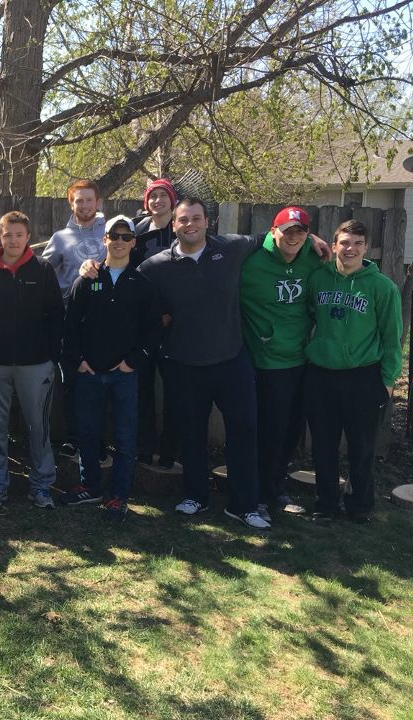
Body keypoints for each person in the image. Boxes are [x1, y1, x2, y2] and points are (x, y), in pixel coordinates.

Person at [135, 198, 329, 530]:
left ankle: (244, 504)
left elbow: (274, 236)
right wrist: (92, 268)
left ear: (207, 222)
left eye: (196, 218)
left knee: (244, 432)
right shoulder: (155, 266)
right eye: (184, 220)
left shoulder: (232, 247)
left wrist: (310, 238)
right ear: (174, 224)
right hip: (182, 363)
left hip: (231, 360)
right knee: (191, 434)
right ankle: (196, 496)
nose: (190, 224)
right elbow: (129, 291)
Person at [61, 215, 161, 520]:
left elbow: (153, 330)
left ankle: (118, 495)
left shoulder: (142, 284)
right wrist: (78, 361)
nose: (119, 242)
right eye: (113, 236)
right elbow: (70, 327)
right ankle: (90, 486)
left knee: (125, 437)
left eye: (125, 237)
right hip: (90, 373)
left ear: (133, 242)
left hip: (124, 376)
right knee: (88, 433)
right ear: (104, 240)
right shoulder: (87, 279)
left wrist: (133, 362)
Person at [305, 219, 402, 524]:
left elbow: (392, 337)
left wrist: (387, 381)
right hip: (321, 374)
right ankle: (326, 503)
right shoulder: (317, 279)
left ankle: (360, 506)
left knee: (361, 447)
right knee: (323, 445)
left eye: (358, 243)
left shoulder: (381, 287)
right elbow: (307, 315)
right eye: (345, 243)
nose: (351, 249)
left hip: (363, 376)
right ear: (334, 246)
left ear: (366, 248)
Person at [0, 211, 63, 508]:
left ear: (28, 237)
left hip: (35, 365)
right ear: (0, 236)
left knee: (38, 426)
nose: (13, 240)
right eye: (8, 234)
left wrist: (51, 356)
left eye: (19, 234)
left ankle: (42, 486)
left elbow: (56, 316)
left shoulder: (43, 270)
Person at [240, 207, 324, 520]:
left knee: (291, 431)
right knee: (269, 431)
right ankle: (260, 493)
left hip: (302, 359)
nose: (293, 237)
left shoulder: (313, 258)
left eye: (300, 232)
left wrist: (317, 241)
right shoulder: (250, 264)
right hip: (266, 362)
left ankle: (276, 489)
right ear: (273, 232)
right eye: (287, 231)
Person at [41, 179, 106, 459]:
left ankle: (100, 440)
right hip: (71, 318)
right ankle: (72, 438)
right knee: (71, 380)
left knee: (103, 380)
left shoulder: (111, 231)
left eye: (89, 200)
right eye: (79, 200)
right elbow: (43, 273)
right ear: (71, 204)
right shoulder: (60, 238)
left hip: (105, 317)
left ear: (98, 202)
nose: (84, 205)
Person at [131, 178, 179, 467]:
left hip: (176, 323)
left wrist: (170, 310)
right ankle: (144, 448)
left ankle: (170, 451)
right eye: (154, 195)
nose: (158, 200)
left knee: (175, 390)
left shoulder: (183, 229)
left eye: (164, 195)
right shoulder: (136, 232)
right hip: (143, 322)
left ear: (172, 201)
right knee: (142, 389)